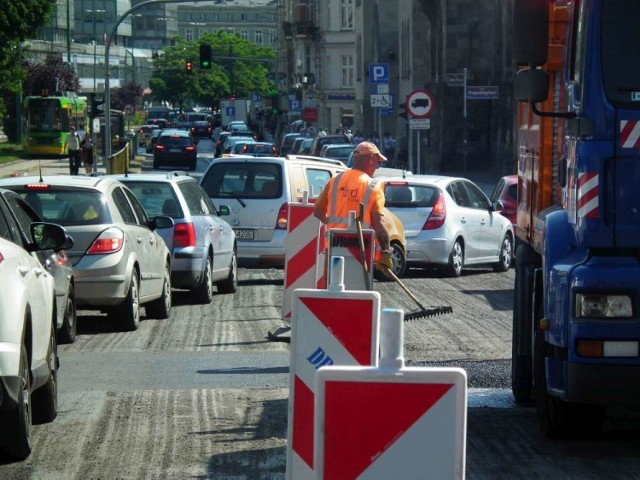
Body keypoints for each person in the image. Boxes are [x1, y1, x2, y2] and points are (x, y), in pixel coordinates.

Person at [313, 141, 393, 275]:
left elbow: (318, 211)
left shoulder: (335, 180)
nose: (378, 166)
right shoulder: (373, 187)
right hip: (360, 249)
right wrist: (385, 252)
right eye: (377, 161)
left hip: (334, 246)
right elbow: (379, 223)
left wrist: (335, 225)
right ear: (370, 159)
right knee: (356, 291)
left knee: (331, 290)